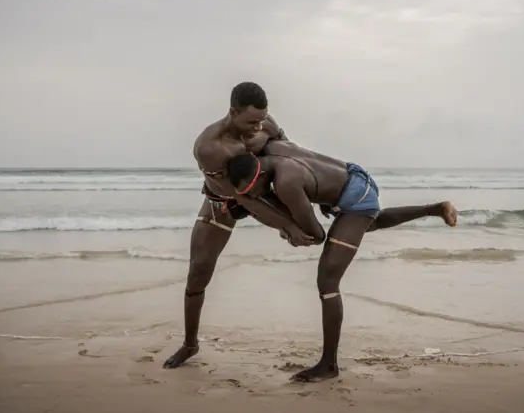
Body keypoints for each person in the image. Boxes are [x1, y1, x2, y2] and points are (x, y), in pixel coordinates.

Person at [224, 140, 457, 382]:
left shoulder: (285, 183)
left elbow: (316, 236)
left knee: (327, 280)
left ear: (259, 172)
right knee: (370, 221)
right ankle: (436, 208)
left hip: (355, 197)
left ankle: (329, 364)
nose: (256, 194)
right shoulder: (273, 148)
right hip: (353, 177)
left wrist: (290, 232)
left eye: (254, 189)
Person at [163, 82, 323, 370]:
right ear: (232, 112)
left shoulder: (265, 124)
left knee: (314, 232)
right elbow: (243, 198)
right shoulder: (210, 147)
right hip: (224, 204)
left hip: (262, 191)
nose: (257, 126)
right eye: (250, 121)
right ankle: (190, 344)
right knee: (198, 273)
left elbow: (290, 155)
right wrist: (285, 225)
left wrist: (312, 194)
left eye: (261, 119)